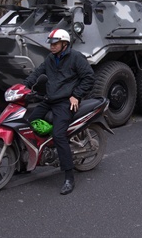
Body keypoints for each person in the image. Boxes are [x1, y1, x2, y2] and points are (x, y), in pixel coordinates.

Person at [24, 29, 94, 195]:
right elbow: (37, 73)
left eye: (55, 43)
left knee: (59, 135)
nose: (51, 46)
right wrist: (23, 86)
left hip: (65, 102)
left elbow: (89, 77)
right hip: (49, 99)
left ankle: (69, 177)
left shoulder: (76, 57)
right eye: (51, 43)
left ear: (64, 44)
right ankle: (37, 155)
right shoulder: (50, 59)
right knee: (29, 122)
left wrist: (76, 95)